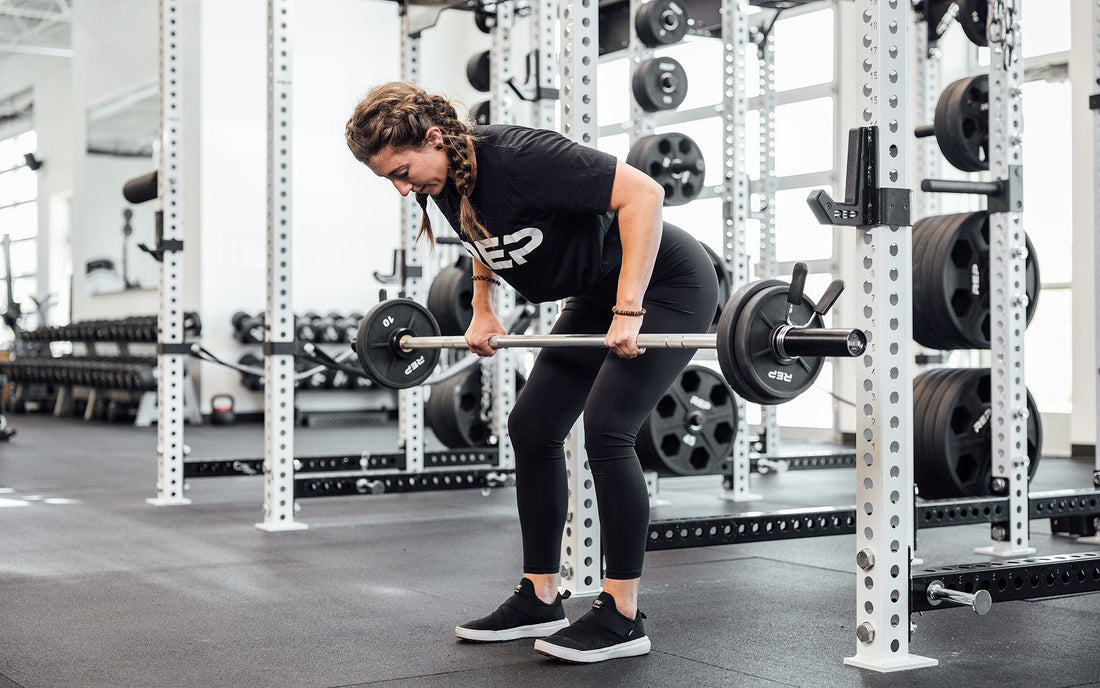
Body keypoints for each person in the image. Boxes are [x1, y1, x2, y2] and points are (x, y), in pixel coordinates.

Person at [346, 82, 718, 664]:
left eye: (401, 170)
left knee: (608, 427)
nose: (401, 187)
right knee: (533, 426)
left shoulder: (520, 156)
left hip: (666, 284)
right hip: (597, 292)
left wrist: (629, 309)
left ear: (434, 138)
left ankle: (622, 613)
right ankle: (541, 595)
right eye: (388, 180)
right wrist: (482, 305)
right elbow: (481, 234)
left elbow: (644, 193)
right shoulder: (446, 178)